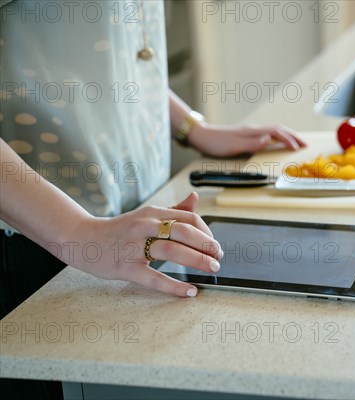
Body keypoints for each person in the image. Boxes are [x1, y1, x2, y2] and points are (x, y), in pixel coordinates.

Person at [0, 1, 305, 397]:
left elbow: (122, 50)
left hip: (127, 224)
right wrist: (77, 231)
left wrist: (194, 127)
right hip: (37, 241)